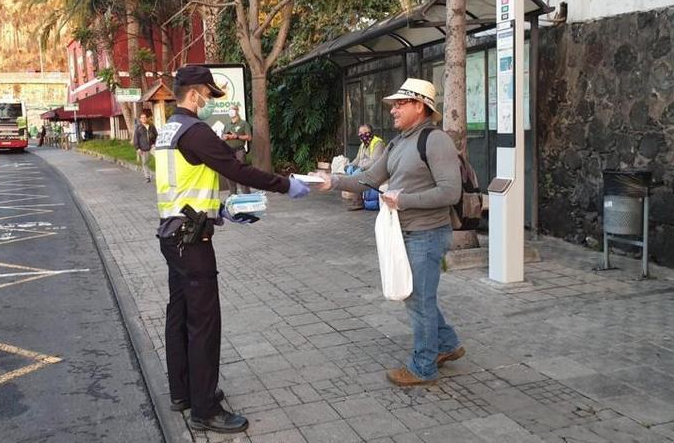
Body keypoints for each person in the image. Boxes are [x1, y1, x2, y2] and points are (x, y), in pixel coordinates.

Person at [155, 65, 310, 434]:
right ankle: (206, 409)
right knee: (205, 323)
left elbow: (184, 184)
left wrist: (220, 209)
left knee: (179, 316)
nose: (209, 102)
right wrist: (286, 185)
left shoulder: (168, 130)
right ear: (194, 94)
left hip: (173, 234)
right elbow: (237, 170)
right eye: (208, 95)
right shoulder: (196, 131)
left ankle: (184, 393)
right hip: (192, 241)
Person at [314, 78, 465, 386]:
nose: (393, 109)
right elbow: (369, 177)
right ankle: (448, 345)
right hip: (405, 232)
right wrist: (333, 181)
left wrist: (403, 199)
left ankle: (424, 367)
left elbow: (451, 192)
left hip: (428, 233)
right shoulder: (398, 142)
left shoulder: (435, 141)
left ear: (420, 106)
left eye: (400, 103)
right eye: (394, 104)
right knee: (419, 296)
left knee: (418, 300)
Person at [344, 124, 385, 210]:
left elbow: (375, 161)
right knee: (351, 173)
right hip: (363, 170)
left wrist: (361, 168)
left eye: (365, 133)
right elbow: (357, 159)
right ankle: (357, 200)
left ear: (370, 133)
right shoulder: (363, 145)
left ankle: (358, 202)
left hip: (373, 170)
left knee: (357, 176)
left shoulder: (378, 143)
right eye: (360, 133)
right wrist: (349, 166)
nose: (362, 135)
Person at [222, 105, 252, 194]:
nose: (231, 111)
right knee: (229, 173)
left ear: (237, 110)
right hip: (228, 152)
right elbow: (223, 137)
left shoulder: (243, 123)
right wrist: (225, 137)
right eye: (229, 109)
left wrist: (237, 136)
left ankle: (246, 193)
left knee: (241, 172)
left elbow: (249, 137)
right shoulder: (227, 125)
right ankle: (232, 194)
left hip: (239, 151)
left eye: (233, 109)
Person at [134, 110, 158, 182]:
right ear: (140, 119)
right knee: (145, 163)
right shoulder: (138, 128)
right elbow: (136, 138)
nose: (143, 119)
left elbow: (156, 135)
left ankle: (160, 174)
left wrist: (155, 143)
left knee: (159, 159)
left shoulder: (151, 126)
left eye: (144, 117)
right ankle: (147, 177)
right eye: (142, 118)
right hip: (143, 148)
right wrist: (137, 148)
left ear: (146, 118)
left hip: (152, 147)